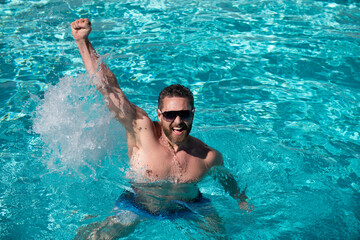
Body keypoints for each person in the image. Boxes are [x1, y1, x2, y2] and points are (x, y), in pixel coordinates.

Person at [71, 18, 251, 239]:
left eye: (184, 114)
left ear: (192, 114)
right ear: (159, 115)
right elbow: (110, 89)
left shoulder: (208, 157)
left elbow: (225, 178)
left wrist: (240, 199)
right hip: (138, 205)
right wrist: (83, 42)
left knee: (222, 236)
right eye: (169, 115)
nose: (177, 121)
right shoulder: (141, 131)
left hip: (189, 206)